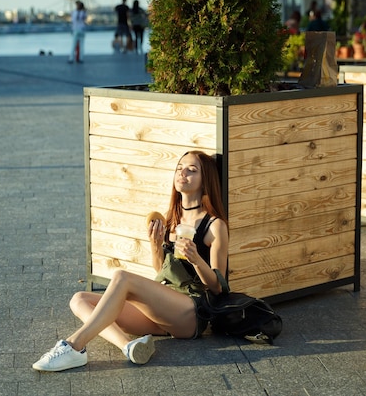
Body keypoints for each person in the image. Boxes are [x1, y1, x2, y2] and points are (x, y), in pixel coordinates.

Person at [32, 150, 229, 372]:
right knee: (79, 299)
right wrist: (155, 245)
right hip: (163, 309)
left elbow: (218, 288)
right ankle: (128, 346)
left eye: (192, 170)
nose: (182, 173)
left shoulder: (214, 226)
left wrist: (196, 260)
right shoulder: (170, 219)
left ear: (206, 181)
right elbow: (161, 270)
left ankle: (73, 346)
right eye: (179, 168)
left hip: (191, 312)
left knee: (122, 278)